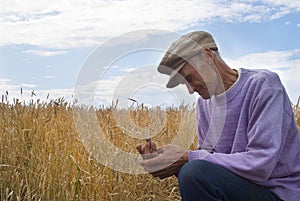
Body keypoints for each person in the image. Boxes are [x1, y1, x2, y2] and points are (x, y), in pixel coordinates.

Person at [136, 31, 300, 201]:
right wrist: (170, 163)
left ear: (207, 56)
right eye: (185, 83)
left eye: (189, 78)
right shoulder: (203, 104)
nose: (191, 90)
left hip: (277, 194)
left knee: (194, 172)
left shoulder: (263, 85)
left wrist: (187, 158)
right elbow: (208, 166)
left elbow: (261, 165)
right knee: (192, 172)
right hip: (238, 190)